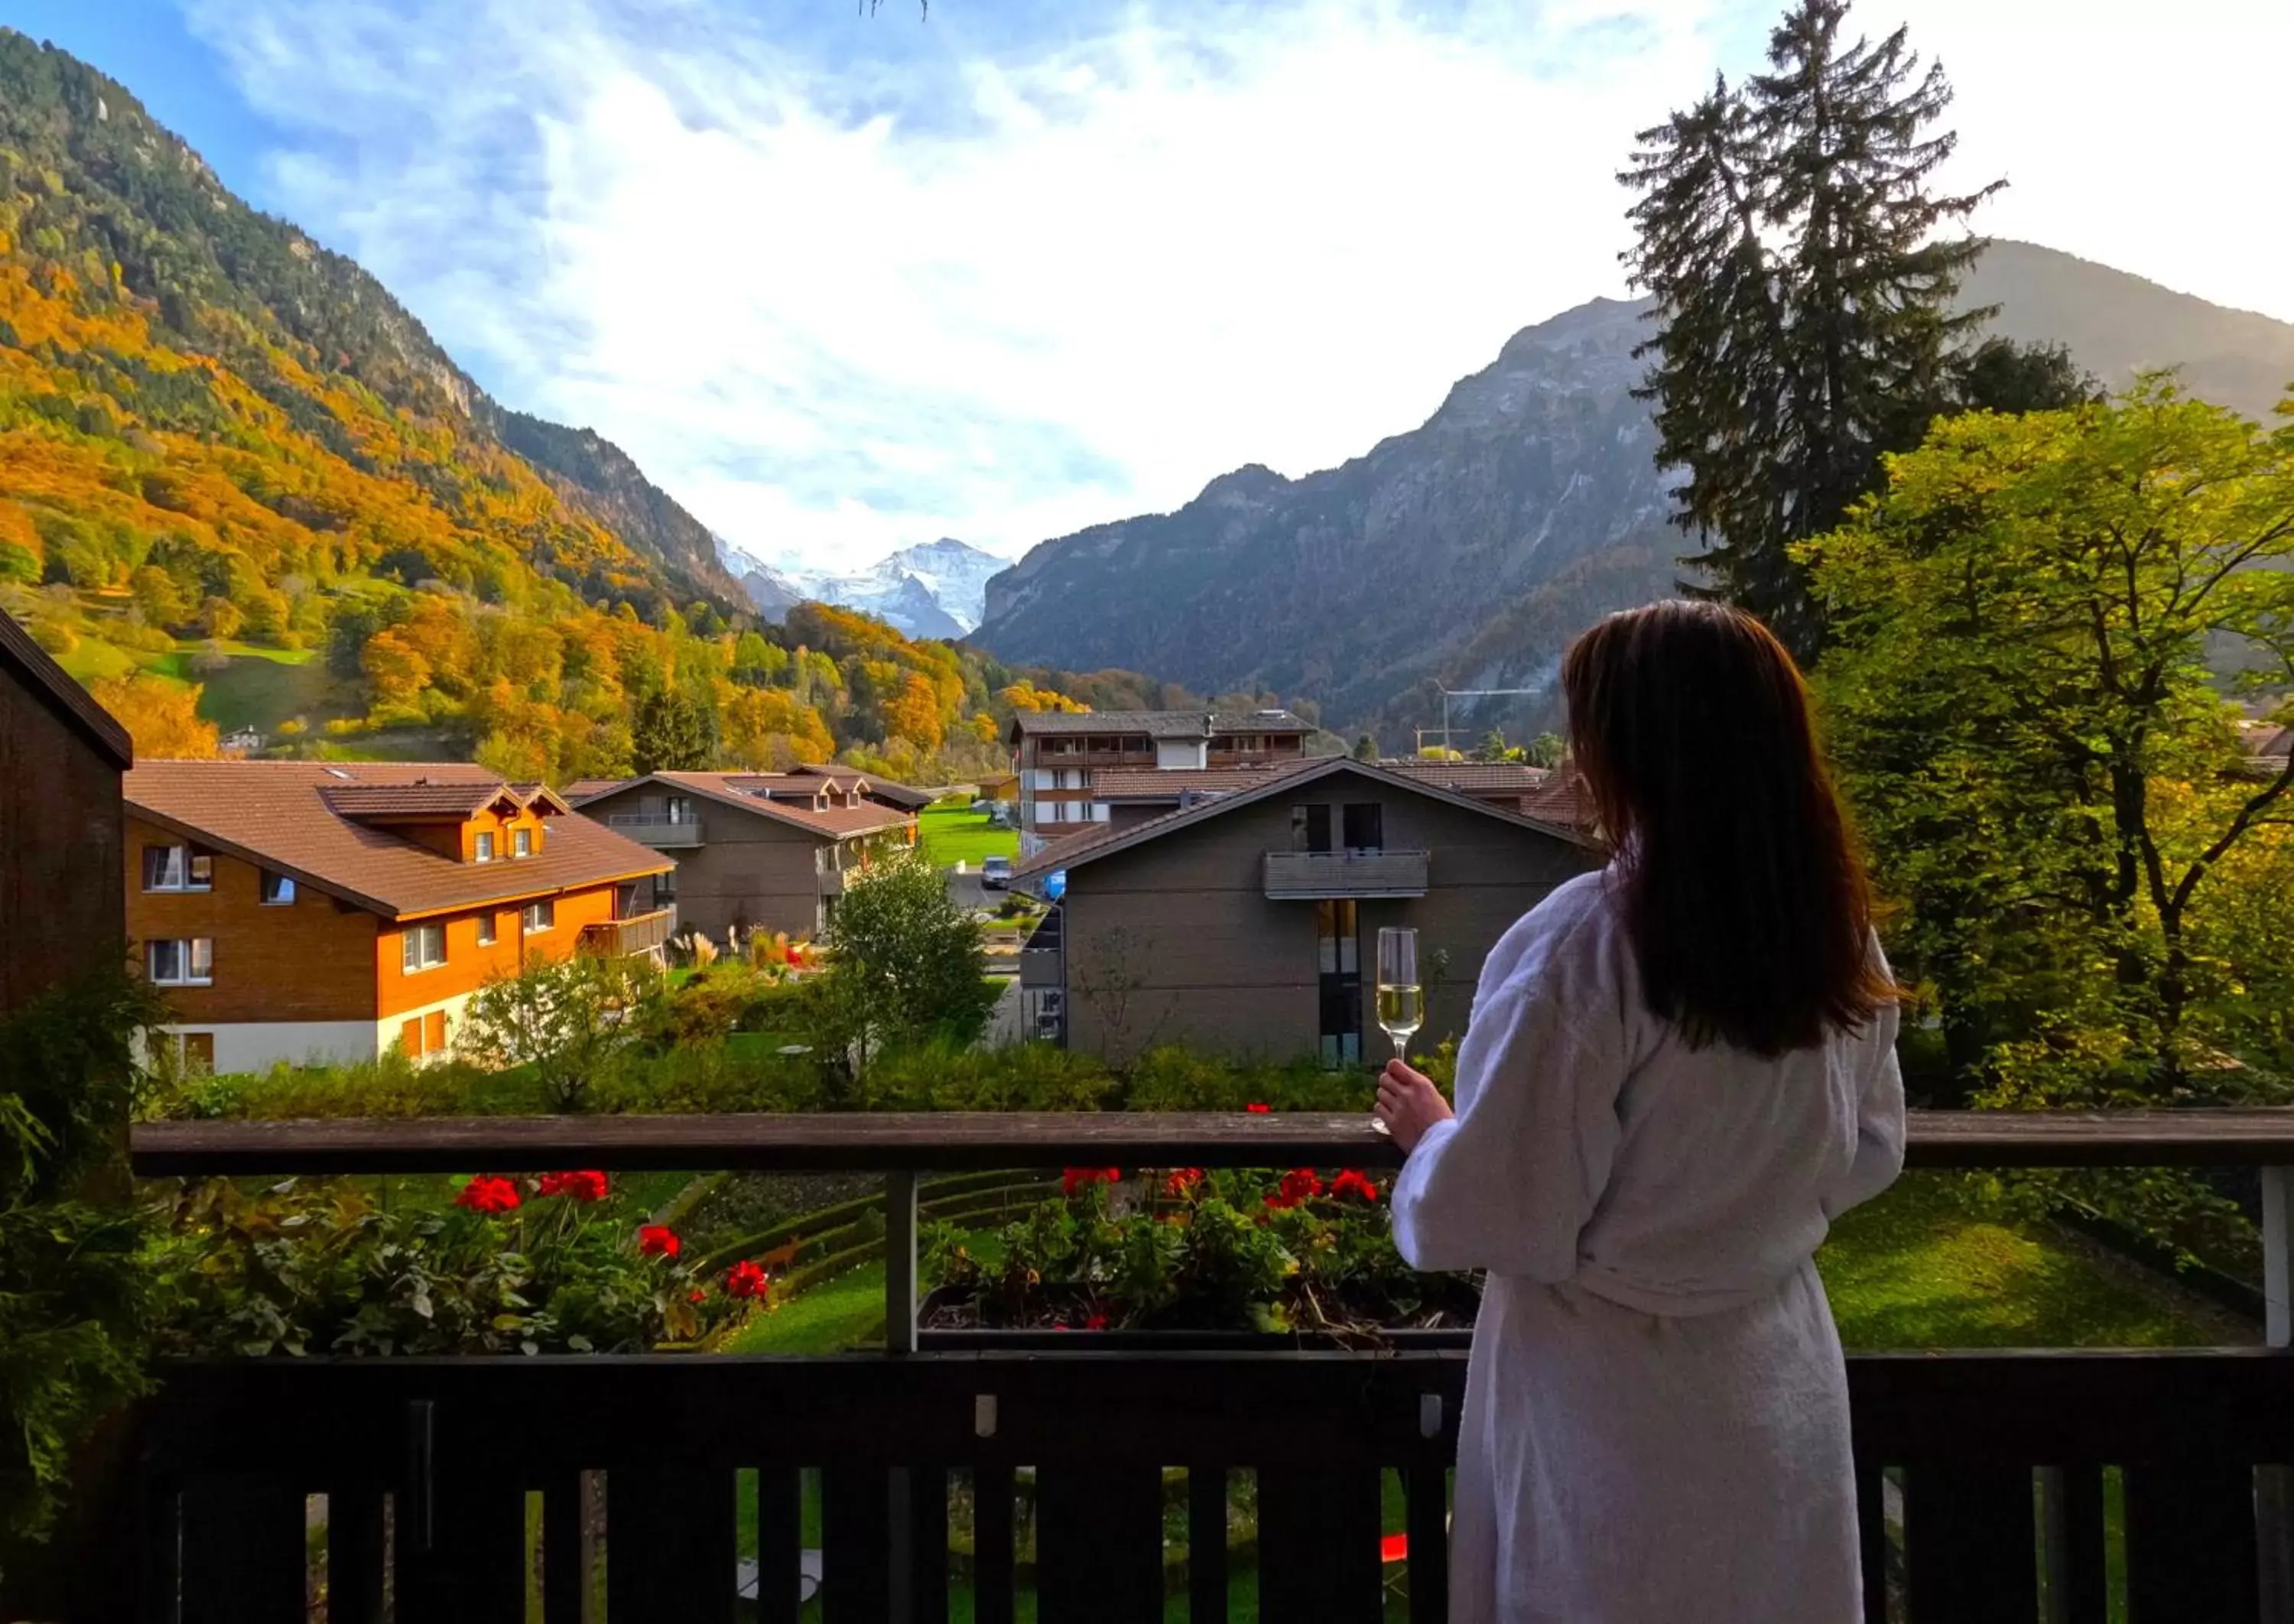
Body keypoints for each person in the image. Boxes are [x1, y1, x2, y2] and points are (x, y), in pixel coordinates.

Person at [1374, 599, 1905, 1623]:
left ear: (1629, 750)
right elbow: (1870, 1148)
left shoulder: (1582, 952)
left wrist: (1434, 1135)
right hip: (1772, 1383)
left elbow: (1495, 1211)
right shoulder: (1833, 932)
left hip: (1609, 1415)